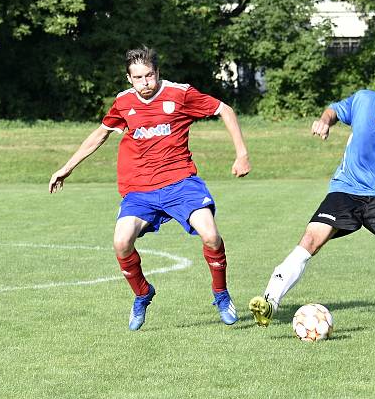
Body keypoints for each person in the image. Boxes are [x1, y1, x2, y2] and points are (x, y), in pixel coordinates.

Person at [49, 46, 251, 330]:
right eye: (138, 77)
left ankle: (220, 293)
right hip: (140, 190)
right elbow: (100, 135)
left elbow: (225, 110)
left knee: (211, 235)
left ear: (158, 73)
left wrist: (241, 154)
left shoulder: (180, 94)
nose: (145, 83)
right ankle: (143, 293)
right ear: (128, 78)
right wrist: (66, 168)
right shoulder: (123, 102)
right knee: (121, 243)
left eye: (150, 76)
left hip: (181, 182)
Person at [248, 68, 375, 339]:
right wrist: (324, 120)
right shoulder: (363, 100)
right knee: (312, 237)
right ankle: (269, 301)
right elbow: (334, 110)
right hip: (346, 187)